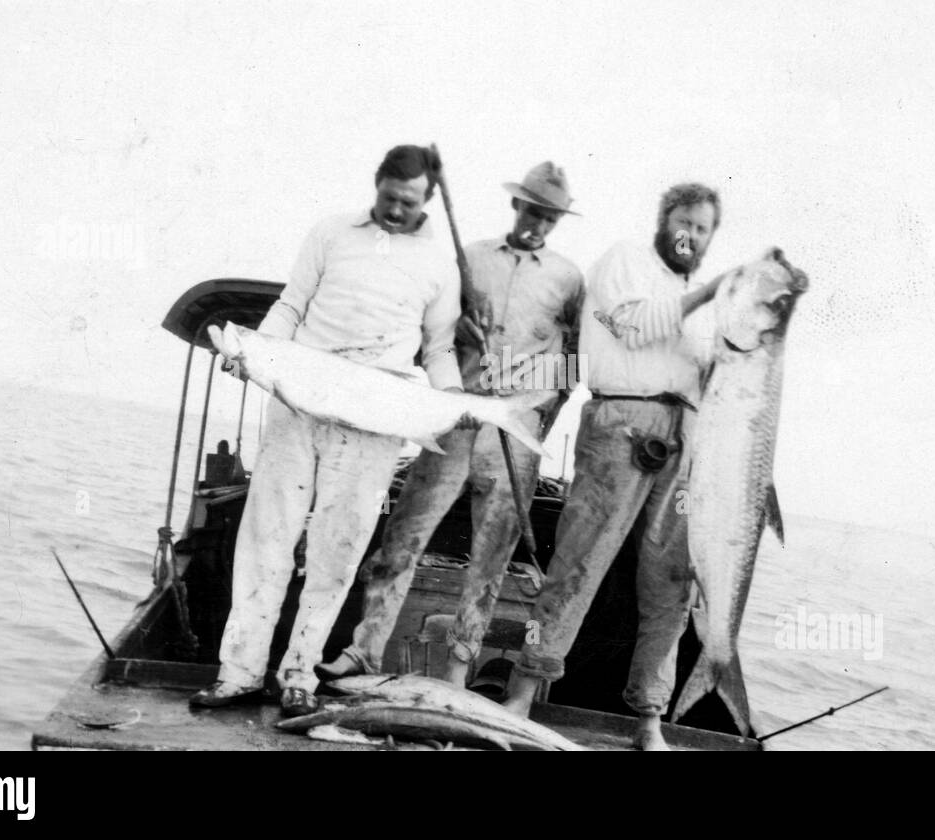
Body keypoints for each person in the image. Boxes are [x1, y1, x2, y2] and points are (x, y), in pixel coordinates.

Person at [190, 145, 467, 717]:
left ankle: (298, 678)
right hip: (300, 400)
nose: (395, 209)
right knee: (267, 538)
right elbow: (292, 306)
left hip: (372, 421)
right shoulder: (331, 232)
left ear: (428, 199)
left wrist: (454, 398)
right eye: (388, 197)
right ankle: (238, 672)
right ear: (376, 186)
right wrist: (255, 353)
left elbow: (438, 348)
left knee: (336, 553)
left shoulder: (441, 266)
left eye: (407, 202)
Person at [317, 162, 584, 687]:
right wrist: (458, 322)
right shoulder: (469, 258)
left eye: (549, 218)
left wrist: (542, 417)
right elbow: (433, 329)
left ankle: (459, 668)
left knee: (491, 560)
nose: (538, 224)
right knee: (403, 537)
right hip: (456, 416)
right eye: (532, 211)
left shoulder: (570, 278)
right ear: (517, 206)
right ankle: (364, 650)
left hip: (515, 430)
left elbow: (574, 359)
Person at [503, 182, 726, 750]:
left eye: (702, 228)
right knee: (578, 564)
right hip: (622, 425)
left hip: (689, 437)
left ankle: (650, 717)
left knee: (672, 587)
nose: (691, 236)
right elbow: (632, 326)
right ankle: (521, 693)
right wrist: (706, 298)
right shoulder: (626, 260)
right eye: (683, 223)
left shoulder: (704, 295)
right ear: (663, 220)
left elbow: (717, 372)